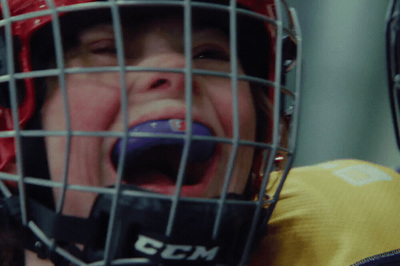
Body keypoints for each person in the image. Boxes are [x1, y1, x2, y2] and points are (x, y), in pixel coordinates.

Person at [0, 0, 300, 265]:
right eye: (108, 49)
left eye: (208, 54)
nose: (176, 70)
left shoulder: (339, 238)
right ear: (10, 128)